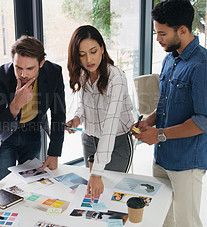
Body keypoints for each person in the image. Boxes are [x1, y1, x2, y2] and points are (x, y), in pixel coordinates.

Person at [132, 1, 207, 227]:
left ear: (182, 30)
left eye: (162, 33)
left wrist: (160, 135)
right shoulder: (170, 59)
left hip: (187, 162)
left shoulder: (204, 66)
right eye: (157, 32)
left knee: (186, 222)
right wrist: (149, 121)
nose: (158, 39)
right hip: (163, 156)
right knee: (164, 217)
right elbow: (165, 104)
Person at [65, 25, 135, 199]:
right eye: (82, 54)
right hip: (90, 141)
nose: (89, 59)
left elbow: (110, 125)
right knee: (95, 197)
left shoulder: (116, 78)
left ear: (102, 49)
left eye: (93, 51)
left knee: (113, 196)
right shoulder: (84, 75)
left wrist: (96, 173)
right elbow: (83, 106)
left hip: (117, 141)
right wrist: (77, 118)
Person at [0, 35, 66, 182]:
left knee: (33, 185)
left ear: (42, 63)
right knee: (6, 188)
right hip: (4, 137)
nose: (23, 74)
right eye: (18, 67)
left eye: (30, 68)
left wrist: (54, 153)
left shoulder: (54, 73)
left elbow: (58, 115)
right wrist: (16, 104)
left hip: (32, 132)